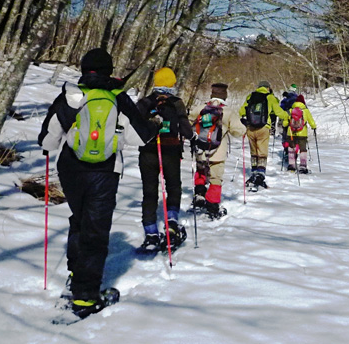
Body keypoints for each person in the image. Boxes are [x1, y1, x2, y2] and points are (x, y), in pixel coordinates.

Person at [38, 48, 157, 317]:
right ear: (109, 69)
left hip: (71, 169)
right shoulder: (118, 97)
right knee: (96, 230)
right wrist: (152, 125)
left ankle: (75, 274)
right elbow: (140, 137)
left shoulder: (70, 96)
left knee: (79, 220)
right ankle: (85, 298)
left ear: (83, 68)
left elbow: (47, 139)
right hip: (105, 172)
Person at [135, 67, 196, 252]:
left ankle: (151, 233)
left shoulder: (145, 102)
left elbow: (135, 125)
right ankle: (171, 224)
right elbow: (185, 127)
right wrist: (192, 138)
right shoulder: (176, 103)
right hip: (170, 151)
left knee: (149, 192)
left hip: (147, 152)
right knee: (173, 188)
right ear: (171, 83)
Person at [190, 83, 245, 218]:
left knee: (201, 172)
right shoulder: (228, 112)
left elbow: (188, 123)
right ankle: (212, 205)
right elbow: (239, 132)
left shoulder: (200, 108)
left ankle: (199, 196)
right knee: (216, 177)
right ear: (224, 96)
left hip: (200, 150)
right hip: (218, 152)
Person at [239, 80, 288, 190]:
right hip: (263, 128)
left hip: (250, 128)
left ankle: (254, 172)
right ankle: (260, 175)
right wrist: (288, 116)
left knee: (254, 151)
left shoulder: (250, 96)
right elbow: (278, 111)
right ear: (268, 88)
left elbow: (241, 111)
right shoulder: (270, 97)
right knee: (262, 152)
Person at [283, 94, 317, 173]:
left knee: (291, 149)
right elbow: (311, 121)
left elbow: (285, 123)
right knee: (302, 149)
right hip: (302, 134)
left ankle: (291, 165)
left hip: (291, 133)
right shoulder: (305, 111)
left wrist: (285, 126)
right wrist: (314, 127)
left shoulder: (290, 110)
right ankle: (303, 165)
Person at [278, 84, 299, 168]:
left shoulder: (285, 100)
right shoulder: (298, 100)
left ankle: (287, 151)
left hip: (286, 120)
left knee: (286, 135)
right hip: (297, 122)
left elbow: (280, 109)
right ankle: (295, 151)